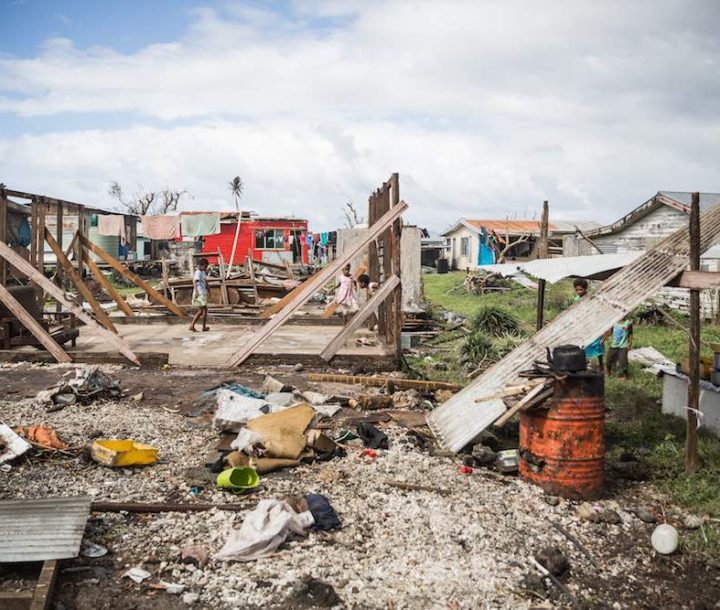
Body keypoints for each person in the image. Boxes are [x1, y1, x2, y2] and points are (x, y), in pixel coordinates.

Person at [572, 278, 605, 370]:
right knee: (584, 344)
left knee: (597, 344)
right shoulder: (576, 299)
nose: (578, 292)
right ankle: (584, 363)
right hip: (582, 324)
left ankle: (601, 365)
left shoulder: (590, 298)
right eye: (577, 290)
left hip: (593, 324)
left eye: (580, 289)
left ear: (585, 289)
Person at [189, 258, 210, 333]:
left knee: (204, 310)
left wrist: (209, 290)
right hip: (200, 293)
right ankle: (192, 325)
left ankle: (203, 326)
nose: (206, 268)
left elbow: (206, 282)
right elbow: (195, 282)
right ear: (202, 265)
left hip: (203, 293)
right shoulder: (198, 272)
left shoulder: (203, 272)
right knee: (201, 310)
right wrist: (197, 292)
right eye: (205, 266)